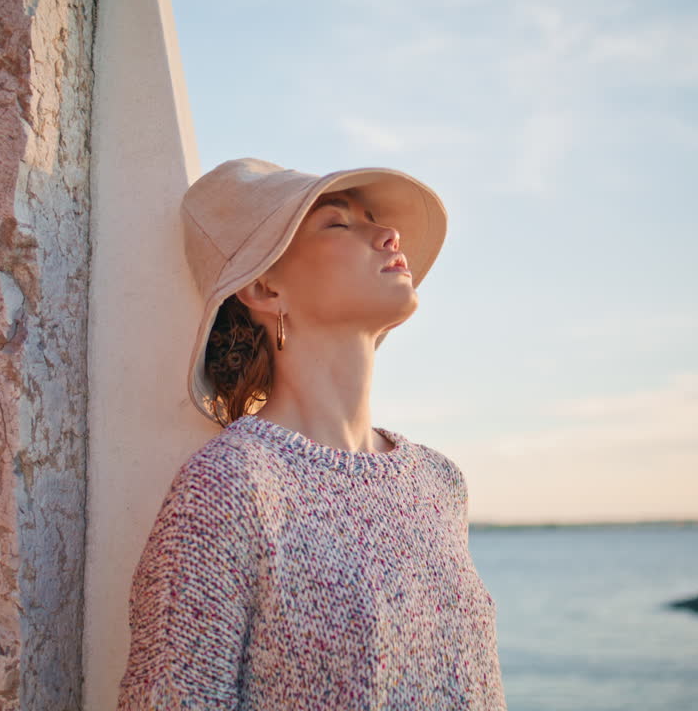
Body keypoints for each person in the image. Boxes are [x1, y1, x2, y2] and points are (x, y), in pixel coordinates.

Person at [116, 158, 507, 710]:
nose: (388, 234)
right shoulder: (230, 488)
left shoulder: (439, 482)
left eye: (376, 220)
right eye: (339, 223)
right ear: (264, 286)